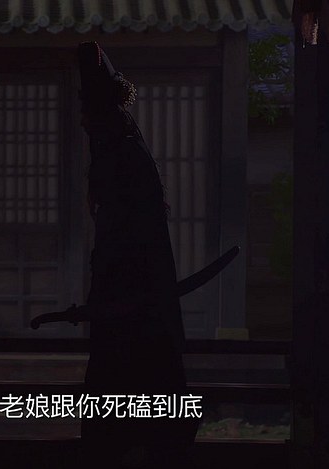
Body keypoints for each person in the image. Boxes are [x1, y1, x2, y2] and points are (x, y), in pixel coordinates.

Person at [75, 41, 197, 469]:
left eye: (86, 109)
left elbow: (127, 236)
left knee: (132, 401)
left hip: (133, 301)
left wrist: (107, 292)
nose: (82, 119)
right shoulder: (119, 146)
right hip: (128, 299)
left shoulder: (121, 153)